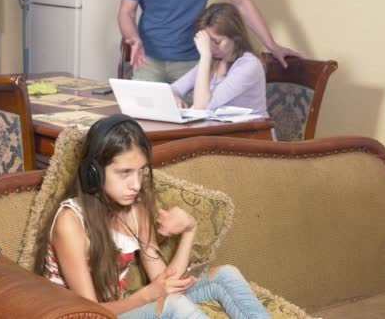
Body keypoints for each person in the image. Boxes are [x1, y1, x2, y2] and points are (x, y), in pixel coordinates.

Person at [43, 114, 270, 318]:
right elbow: (89, 312)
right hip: (85, 316)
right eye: (125, 173)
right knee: (174, 306)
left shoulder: (135, 210)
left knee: (226, 276)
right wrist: (149, 295)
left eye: (141, 172)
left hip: (120, 310)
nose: (136, 184)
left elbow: (165, 280)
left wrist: (189, 230)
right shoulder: (70, 222)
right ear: (94, 173)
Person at [119, 0, 299, 83]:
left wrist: (272, 46)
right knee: (141, 129)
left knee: (192, 130)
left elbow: (242, 2)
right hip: (147, 60)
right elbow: (127, 12)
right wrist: (133, 38)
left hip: (192, 62)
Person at [170, 3, 268, 118]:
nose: (211, 47)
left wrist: (205, 56)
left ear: (235, 37)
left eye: (216, 42)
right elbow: (172, 89)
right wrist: (175, 98)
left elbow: (202, 107)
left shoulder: (249, 65)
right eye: (207, 41)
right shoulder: (214, 62)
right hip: (217, 132)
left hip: (252, 133)